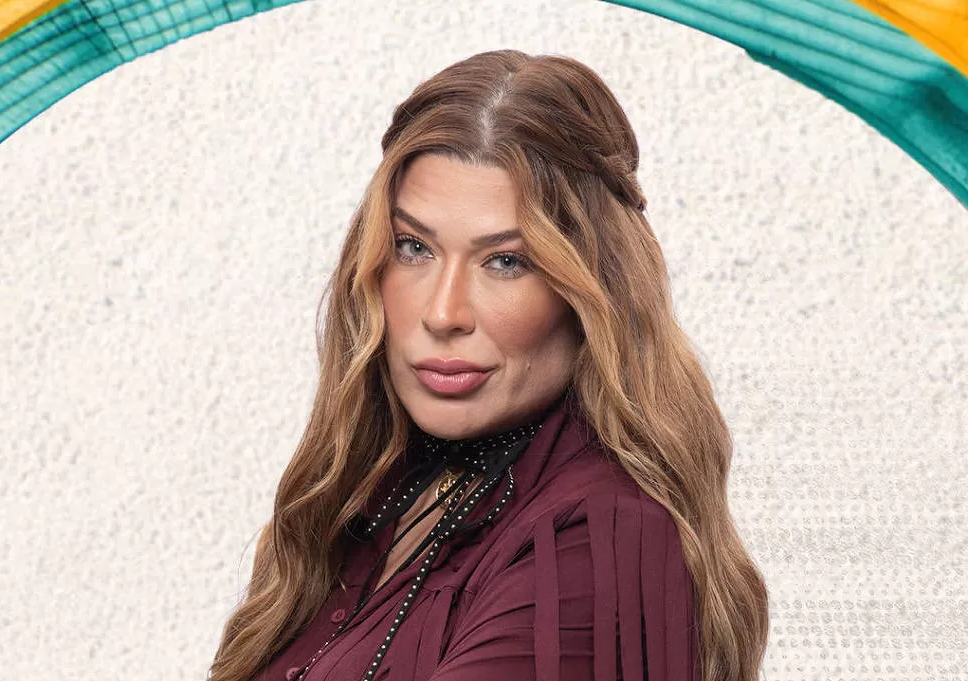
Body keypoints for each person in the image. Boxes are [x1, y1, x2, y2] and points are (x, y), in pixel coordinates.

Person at [207, 50, 769, 681]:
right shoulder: (377, 494)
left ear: (595, 290)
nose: (443, 313)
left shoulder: (592, 541)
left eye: (506, 261)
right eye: (413, 247)